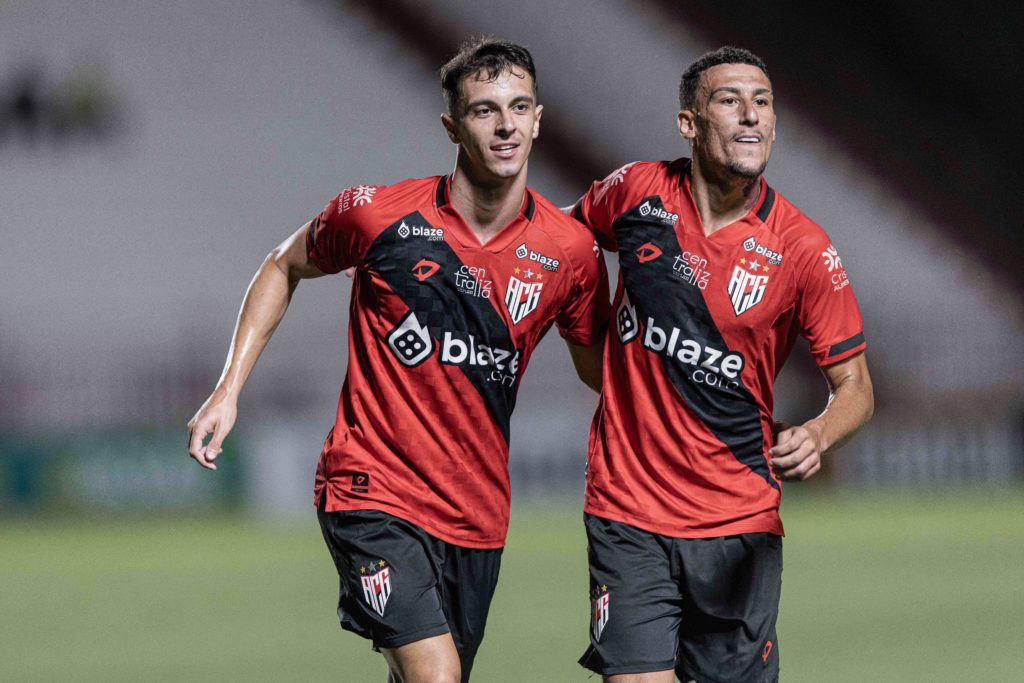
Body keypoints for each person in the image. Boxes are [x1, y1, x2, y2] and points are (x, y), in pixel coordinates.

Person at [187, 38, 609, 683]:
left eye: (519, 107)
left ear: (538, 118)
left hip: (476, 512)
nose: (505, 126)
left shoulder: (572, 252)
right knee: (435, 676)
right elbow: (283, 263)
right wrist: (228, 389)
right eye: (484, 110)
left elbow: (599, 371)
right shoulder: (377, 215)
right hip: (371, 488)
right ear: (451, 126)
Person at [570, 46, 874, 683]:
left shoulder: (802, 248)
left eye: (762, 103)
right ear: (689, 123)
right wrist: (583, 336)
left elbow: (856, 388)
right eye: (729, 101)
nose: (750, 117)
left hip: (738, 519)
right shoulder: (634, 193)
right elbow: (558, 246)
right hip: (629, 511)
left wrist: (819, 432)